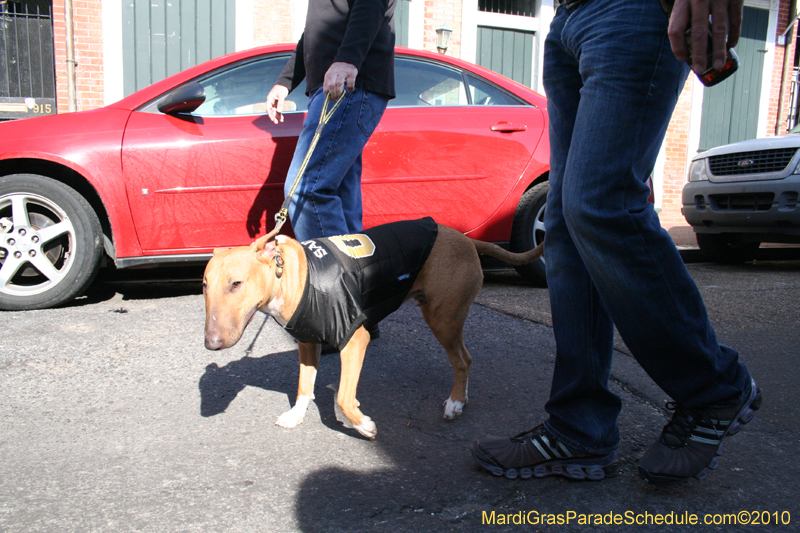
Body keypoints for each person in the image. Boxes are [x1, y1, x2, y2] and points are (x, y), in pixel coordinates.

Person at [471, 0, 761, 487]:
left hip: (634, 12)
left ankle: (716, 388)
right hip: (567, 20)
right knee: (564, 224)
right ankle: (579, 427)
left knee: (601, 203)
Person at [265, 0, 396, 244]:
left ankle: (334, 278)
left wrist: (348, 59)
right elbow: (317, 30)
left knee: (308, 188)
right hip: (332, 86)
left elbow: (370, 5)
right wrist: (286, 81)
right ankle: (357, 275)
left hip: (345, 85)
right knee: (341, 197)